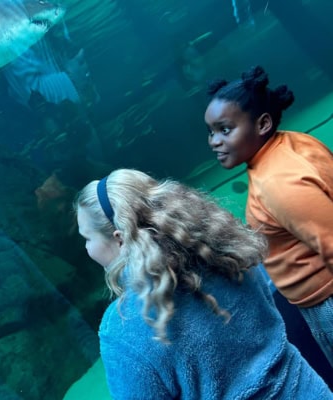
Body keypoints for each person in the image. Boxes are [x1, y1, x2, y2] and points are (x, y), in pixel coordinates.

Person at [74, 168, 332, 399]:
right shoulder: (227, 250)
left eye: (87, 238)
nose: (87, 247)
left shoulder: (122, 328)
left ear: (120, 240)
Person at [204, 65, 333, 367]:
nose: (214, 141)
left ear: (262, 124)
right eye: (211, 132)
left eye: (225, 129)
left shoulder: (278, 182)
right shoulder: (288, 143)